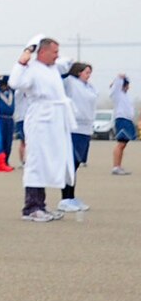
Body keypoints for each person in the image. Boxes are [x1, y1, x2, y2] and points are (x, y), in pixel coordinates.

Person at [13, 38, 73, 221]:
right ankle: (31, 207)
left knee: (49, 162)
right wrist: (24, 57)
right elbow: (15, 82)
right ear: (43, 52)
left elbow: (68, 63)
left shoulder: (53, 69)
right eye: (54, 52)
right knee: (36, 162)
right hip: (40, 120)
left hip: (55, 120)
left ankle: (41, 205)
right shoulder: (31, 69)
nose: (57, 55)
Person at [59, 62, 96, 212]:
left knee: (77, 164)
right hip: (73, 127)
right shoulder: (70, 82)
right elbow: (60, 74)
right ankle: (65, 199)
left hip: (86, 129)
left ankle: (72, 197)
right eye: (86, 72)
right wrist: (68, 64)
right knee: (70, 165)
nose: (89, 75)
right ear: (78, 72)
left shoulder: (90, 87)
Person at [111, 74, 134, 174]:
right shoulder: (118, 94)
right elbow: (115, 86)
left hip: (128, 120)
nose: (128, 87)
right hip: (122, 119)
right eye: (127, 84)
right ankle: (116, 167)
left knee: (124, 144)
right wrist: (119, 78)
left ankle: (119, 166)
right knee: (121, 144)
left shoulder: (126, 96)